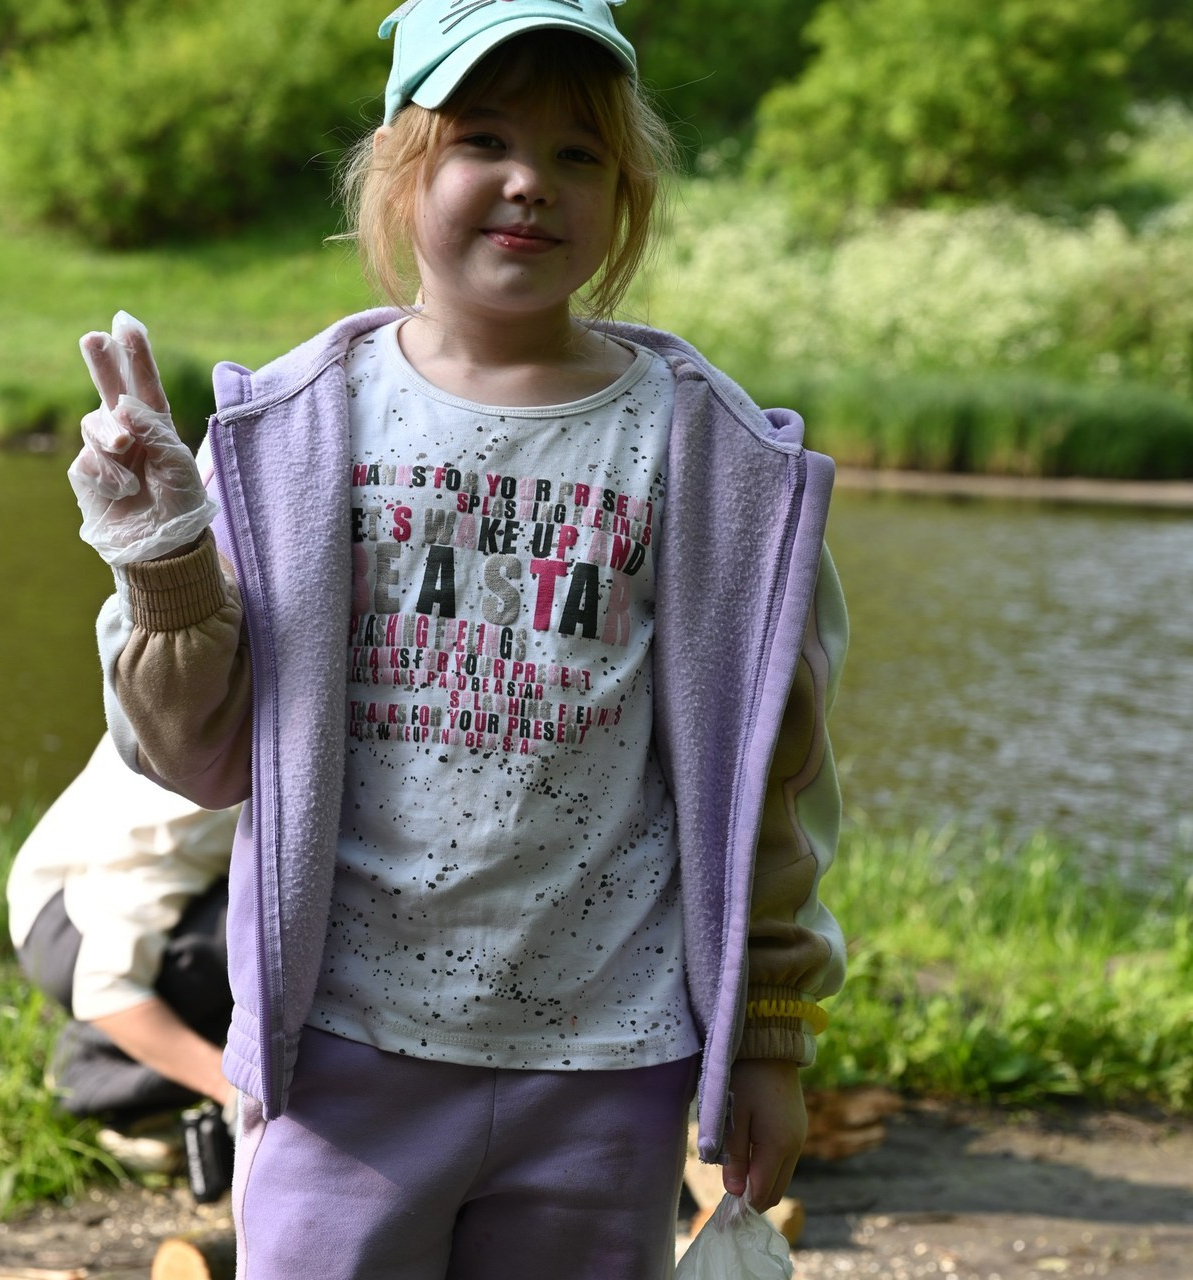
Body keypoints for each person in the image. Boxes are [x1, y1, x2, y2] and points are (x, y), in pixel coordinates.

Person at [66, 0, 848, 1274]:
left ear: (627, 196)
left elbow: (772, 781)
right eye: (483, 138)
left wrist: (765, 1035)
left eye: (579, 154)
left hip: (609, 1064)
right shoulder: (296, 434)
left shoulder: (710, 458)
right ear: (398, 170)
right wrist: (161, 562)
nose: (530, 181)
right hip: (345, 1057)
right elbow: (190, 752)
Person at [7, 733, 239, 1138]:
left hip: (116, 890)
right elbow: (106, 990)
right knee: (268, 935)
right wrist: (236, 1094)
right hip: (65, 926)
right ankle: (95, 1076)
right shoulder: (183, 820)